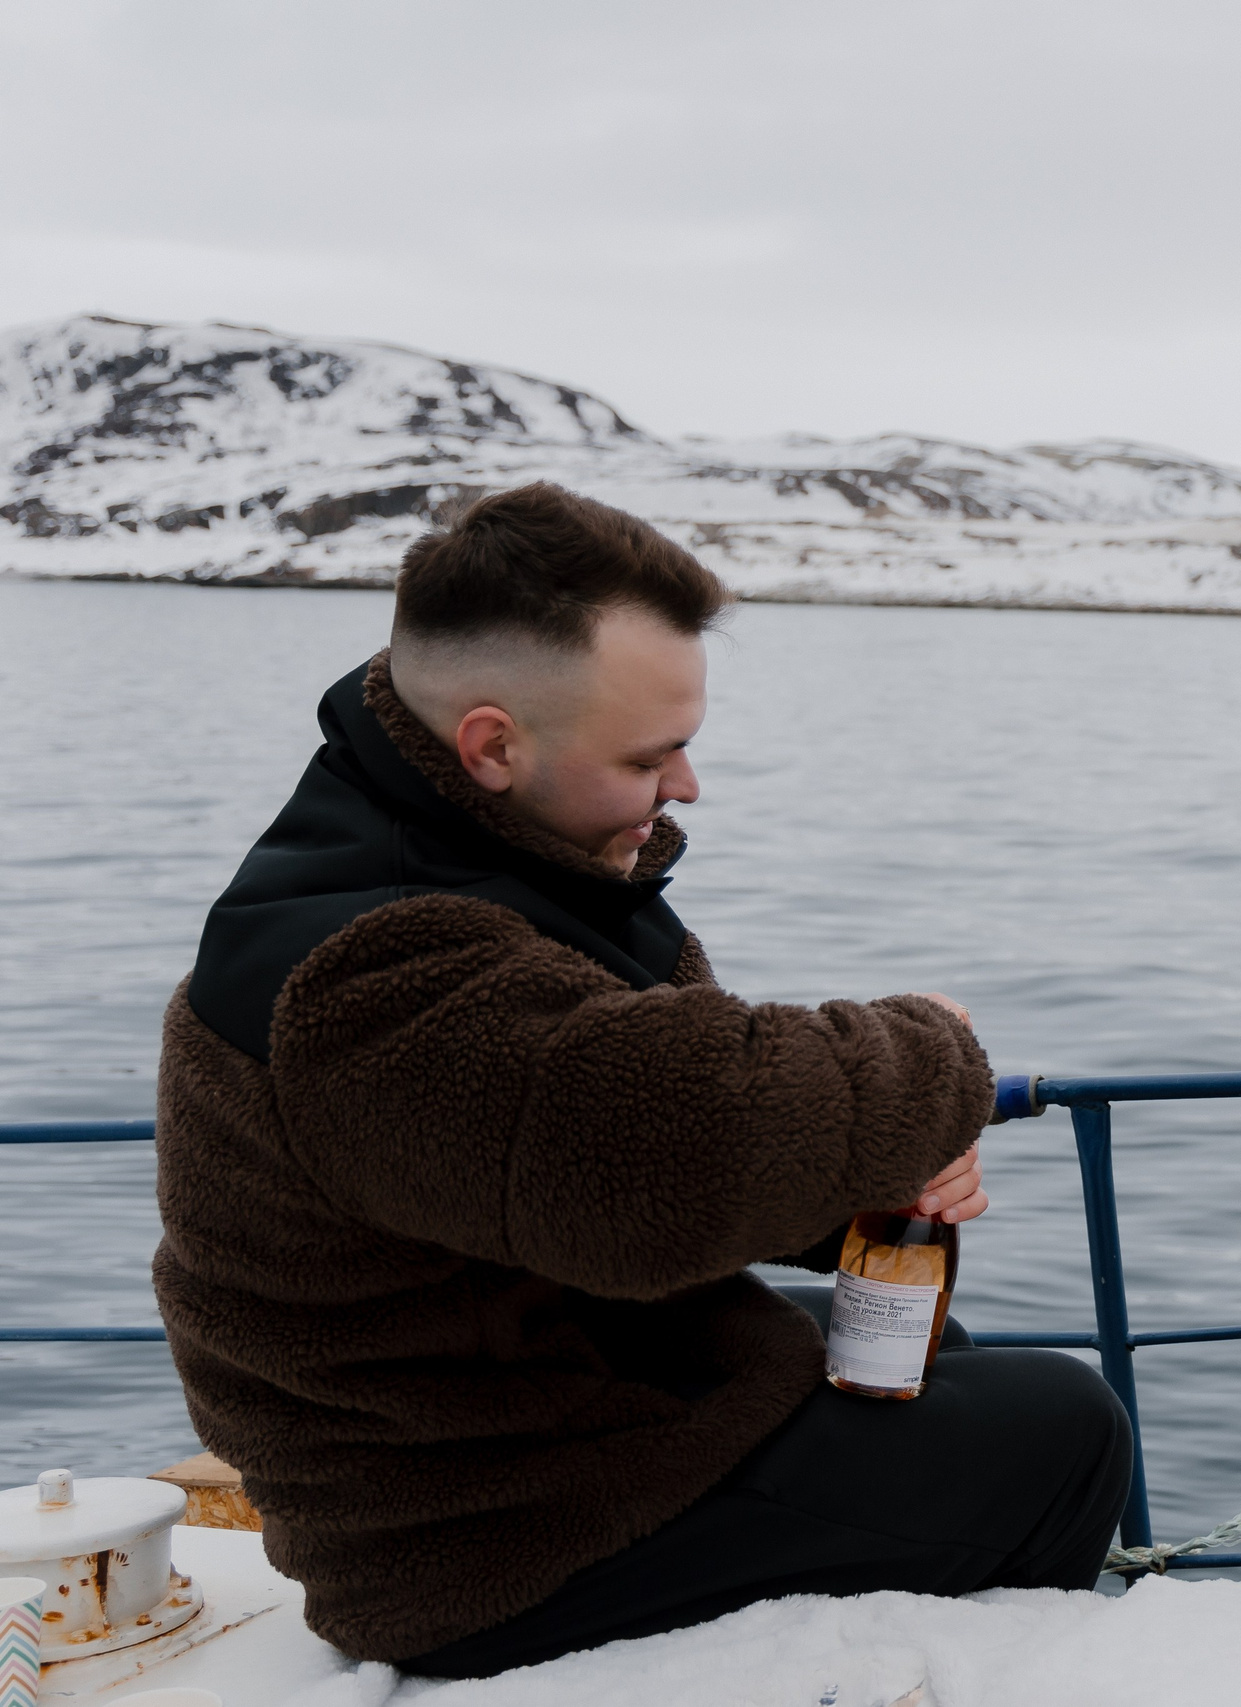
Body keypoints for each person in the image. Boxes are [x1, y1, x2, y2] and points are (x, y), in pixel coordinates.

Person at [153, 482, 1132, 1676]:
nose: (686, 787)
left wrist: (852, 1196)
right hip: (481, 1536)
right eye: (650, 755)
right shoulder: (379, 972)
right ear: (493, 744)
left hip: (536, 1404)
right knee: (1064, 1427)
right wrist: (926, 1055)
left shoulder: (459, 851)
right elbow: (665, 1164)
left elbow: (548, 1150)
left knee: (912, 1341)